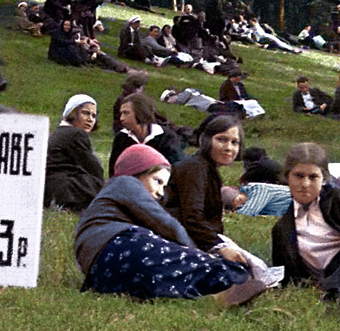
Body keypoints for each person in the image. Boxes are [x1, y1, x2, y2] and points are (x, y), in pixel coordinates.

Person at [73, 144, 276, 308]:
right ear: (136, 172)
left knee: (160, 272)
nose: (161, 192)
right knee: (212, 266)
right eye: (157, 180)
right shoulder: (125, 183)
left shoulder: (117, 202)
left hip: (100, 272)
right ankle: (234, 280)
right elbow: (167, 224)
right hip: (118, 244)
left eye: (164, 185)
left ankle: (217, 292)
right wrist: (199, 252)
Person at [268, 142, 340, 298]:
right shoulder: (282, 230)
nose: (305, 184)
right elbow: (286, 277)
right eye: (298, 176)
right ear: (287, 177)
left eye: (313, 177)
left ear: (324, 179)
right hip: (322, 283)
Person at [164, 115, 244, 251]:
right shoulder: (194, 168)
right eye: (221, 140)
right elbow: (192, 218)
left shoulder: (208, 169)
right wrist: (220, 246)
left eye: (234, 142)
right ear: (206, 140)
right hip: (177, 244)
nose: (228, 147)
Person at [44, 94, 104, 211]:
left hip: (50, 187)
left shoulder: (59, 132)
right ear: (73, 113)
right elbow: (92, 168)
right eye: (85, 113)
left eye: (93, 115)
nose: (90, 119)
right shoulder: (76, 134)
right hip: (64, 189)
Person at [109, 92, 184, 173]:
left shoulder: (166, 137)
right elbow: (114, 170)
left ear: (140, 113)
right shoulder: (121, 138)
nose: (121, 118)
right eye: (121, 114)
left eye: (126, 113)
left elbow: (175, 170)